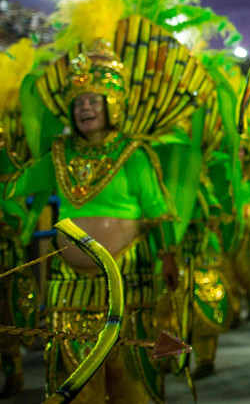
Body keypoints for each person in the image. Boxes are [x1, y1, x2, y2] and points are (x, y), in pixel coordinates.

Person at [8, 41, 181, 402]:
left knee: (131, 379)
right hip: (68, 286)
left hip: (127, 279)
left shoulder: (134, 153)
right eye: (78, 102)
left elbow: (158, 210)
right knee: (76, 382)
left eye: (93, 101)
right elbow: (16, 183)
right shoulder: (59, 154)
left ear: (112, 104)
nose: (84, 108)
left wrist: (168, 256)